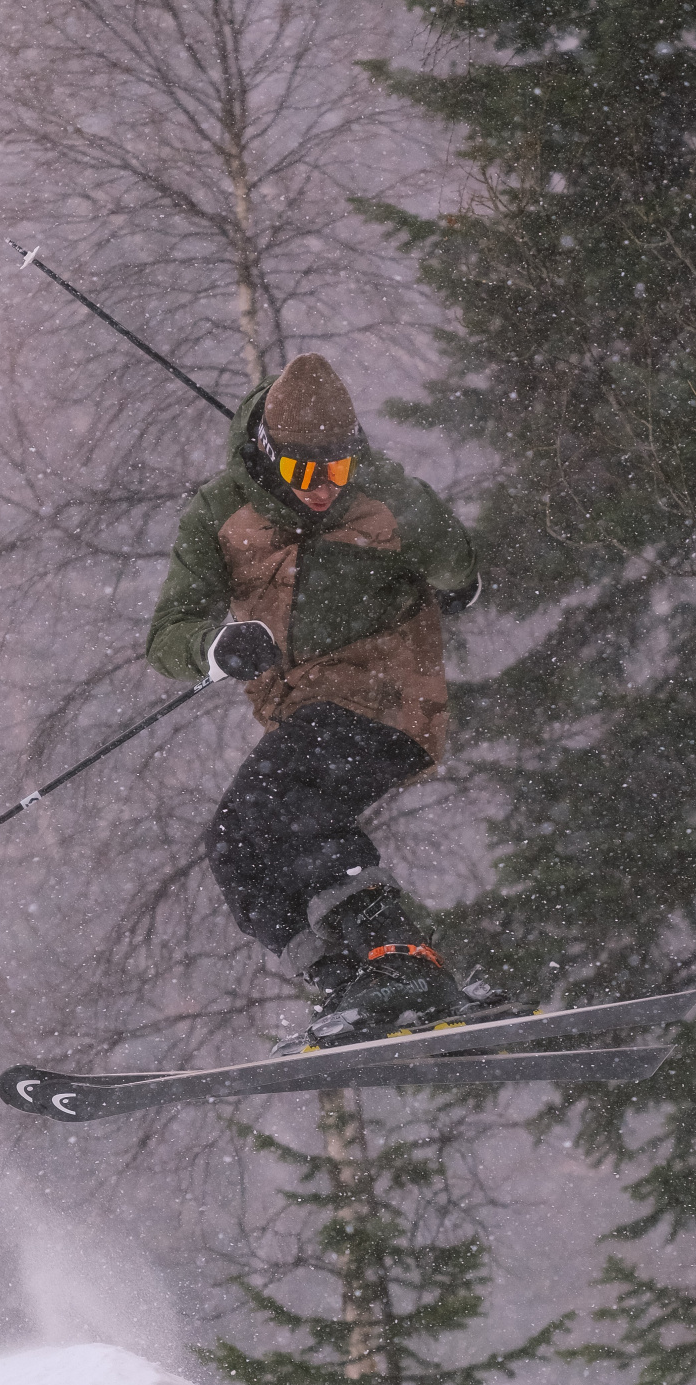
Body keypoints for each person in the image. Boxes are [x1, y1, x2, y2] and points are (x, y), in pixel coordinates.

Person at [146, 353, 497, 1044]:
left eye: (334, 472)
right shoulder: (220, 513)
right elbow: (167, 635)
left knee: (282, 800)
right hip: (302, 711)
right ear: (269, 451)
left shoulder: (381, 496)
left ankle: (399, 956)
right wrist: (217, 647)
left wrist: (423, 543)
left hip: (389, 702)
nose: (319, 490)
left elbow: (460, 572)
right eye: (305, 472)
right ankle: (346, 978)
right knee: (235, 843)